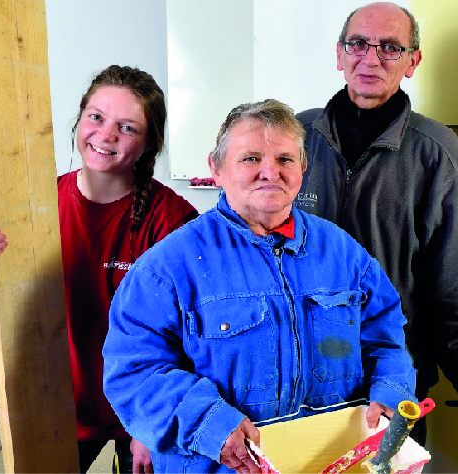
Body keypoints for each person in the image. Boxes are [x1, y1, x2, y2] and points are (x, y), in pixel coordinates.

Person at [102, 99, 417, 473]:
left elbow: (386, 337)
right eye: (251, 158)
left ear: (303, 167)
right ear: (216, 168)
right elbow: (133, 372)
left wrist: (391, 390)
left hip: (334, 461)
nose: (271, 172)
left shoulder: (344, 253)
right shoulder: (167, 268)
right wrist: (209, 424)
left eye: (285, 159)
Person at [294, 2, 458, 444]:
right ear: (339, 54)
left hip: (390, 381)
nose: (371, 58)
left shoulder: (435, 150)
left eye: (390, 47)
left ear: (413, 61)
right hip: (297, 378)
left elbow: (454, 275)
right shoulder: (295, 137)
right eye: (358, 44)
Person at [0, 65, 198, 473]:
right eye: (96, 117)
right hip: (56, 405)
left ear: (149, 143)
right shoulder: (33, 206)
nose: (107, 134)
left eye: (127, 127)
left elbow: (188, 333)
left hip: (139, 410)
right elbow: (6, 306)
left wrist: (152, 422)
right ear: (80, 119)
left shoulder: (173, 220)